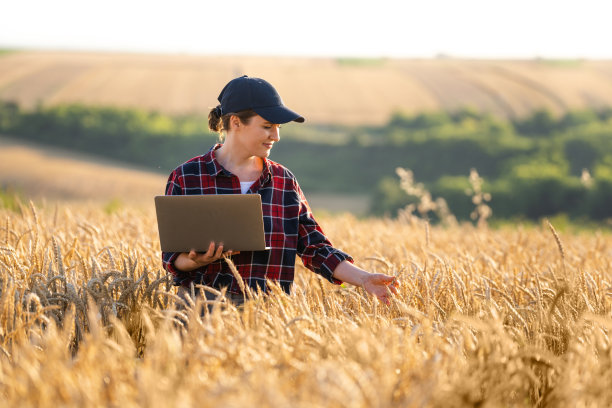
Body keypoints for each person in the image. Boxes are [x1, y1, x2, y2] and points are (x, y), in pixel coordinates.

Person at [162, 75, 398, 307]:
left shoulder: (283, 181)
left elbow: (315, 249)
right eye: (267, 126)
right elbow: (172, 259)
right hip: (200, 315)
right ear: (235, 123)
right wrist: (197, 261)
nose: (276, 136)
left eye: (277, 127)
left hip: (270, 319)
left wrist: (364, 279)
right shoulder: (188, 176)